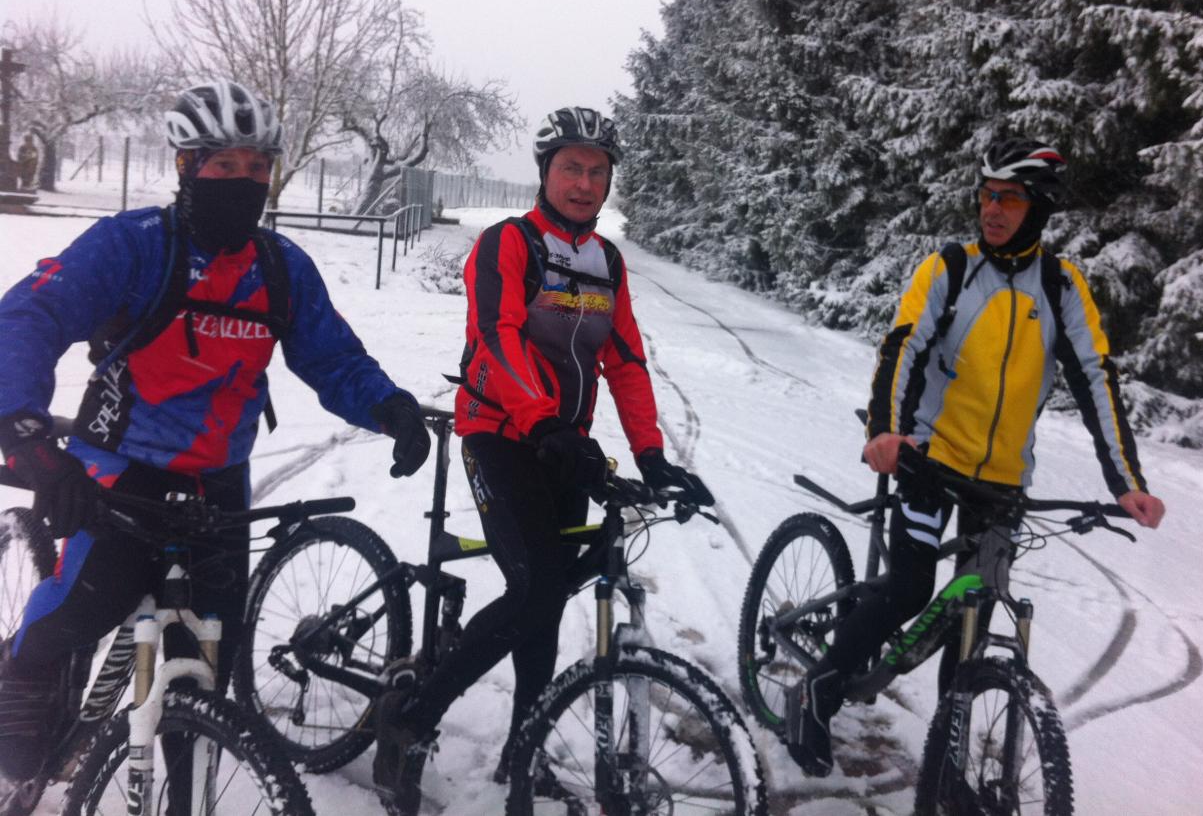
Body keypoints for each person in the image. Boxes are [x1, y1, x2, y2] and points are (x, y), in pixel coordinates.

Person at [0, 80, 431, 783]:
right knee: (82, 610)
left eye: (257, 167)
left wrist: (389, 407)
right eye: (224, 164)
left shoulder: (279, 267)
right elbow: (28, 317)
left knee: (204, 673)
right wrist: (28, 438)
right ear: (186, 166)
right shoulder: (134, 245)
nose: (243, 181)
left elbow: (331, 357)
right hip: (120, 470)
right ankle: (22, 672)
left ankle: (184, 786)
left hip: (218, 487)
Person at [783, 137, 1167, 777]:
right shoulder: (952, 269)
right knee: (909, 589)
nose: (992, 208)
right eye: (987, 194)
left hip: (1003, 481)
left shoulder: (1061, 287)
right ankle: (817, 690)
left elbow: (1096, 380)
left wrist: (1127, 482)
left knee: (972, 620)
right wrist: (887, 432)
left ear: (1039, 207)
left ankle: (948, 758)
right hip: (929, 461)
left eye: (1009, 198)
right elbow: (903, 349)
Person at [371, 106, 710, 814]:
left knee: (547, 603)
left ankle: (523, 749)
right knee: (534, 587)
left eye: (597, 171)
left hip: (564, 444)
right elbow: (497, 336)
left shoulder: (606, 262)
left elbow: (625, 360)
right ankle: (410, 722)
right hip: (499, 431)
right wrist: (545, 422)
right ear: (545, 173)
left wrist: (651, 455)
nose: (584, 183)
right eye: (571, 168)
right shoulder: (510, 243)